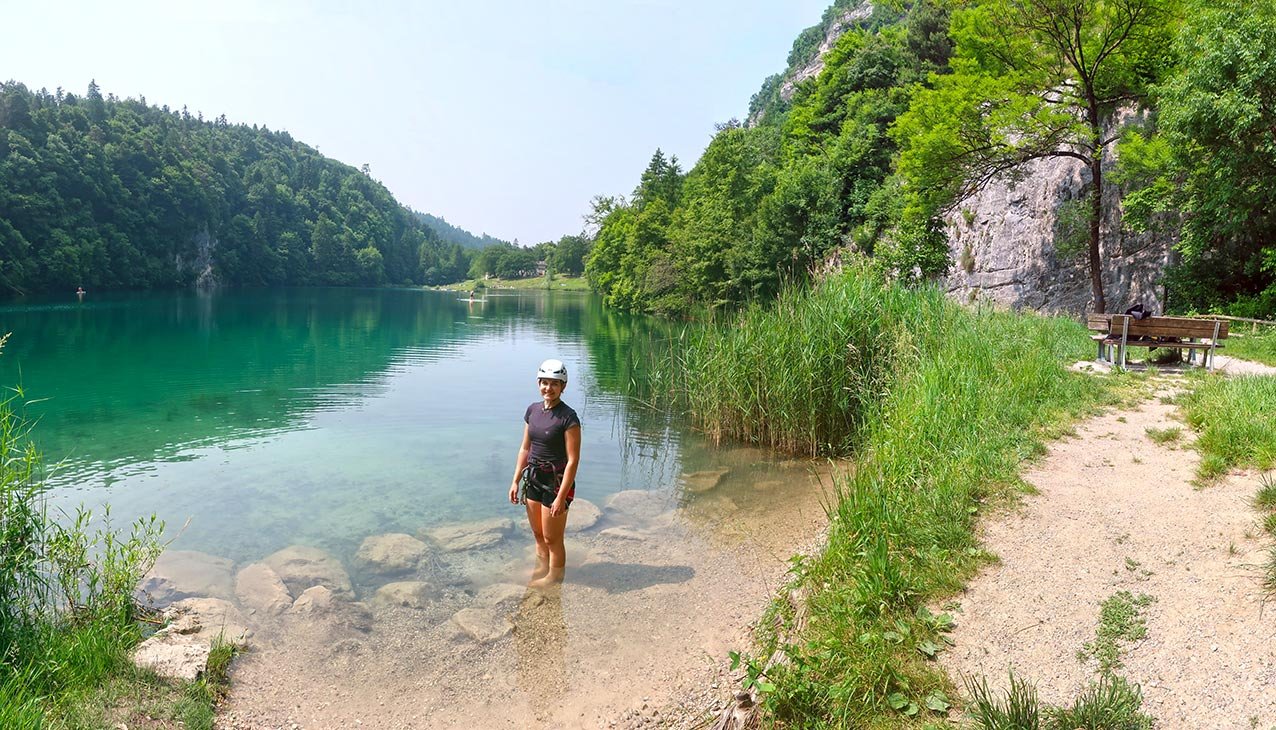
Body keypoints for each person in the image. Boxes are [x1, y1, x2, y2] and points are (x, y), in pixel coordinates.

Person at [508, 359, 580, 588]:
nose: (548, 388)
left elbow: (573, 461)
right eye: (545, 382)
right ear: (538, 383)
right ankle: (541, 567)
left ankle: (554, 577)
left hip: (555, 482)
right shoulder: (532, 411)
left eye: (554, 383)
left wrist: (561, 497)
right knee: (538, 534)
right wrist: (515, 481)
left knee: (552, 538)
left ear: (563, 386)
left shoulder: (568, 417)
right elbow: (525, 448)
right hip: (534, 478)